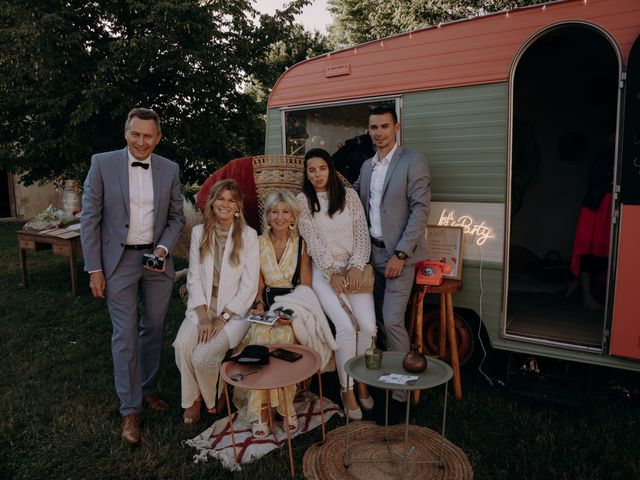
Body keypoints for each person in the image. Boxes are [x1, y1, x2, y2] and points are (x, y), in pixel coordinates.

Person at [81, 107, 186, 445]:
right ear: (126, 133)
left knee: (154, 327)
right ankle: (130, 409)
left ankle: (147, 387)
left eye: (148, 136)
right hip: (118, 261)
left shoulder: (169, 169)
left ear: (158, 138)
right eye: (135, 134)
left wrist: (163, 250)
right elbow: (89, 219)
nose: (141, 142)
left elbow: (175, 218)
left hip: (156, 259)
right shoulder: (102, 163)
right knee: (124, 334)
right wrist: (95, 269)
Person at [353, 104, 431, 422]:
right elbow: (357, 207)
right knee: (375, 325)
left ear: (396, 128)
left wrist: (401, 254)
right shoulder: (367, 166)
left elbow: (420, 209)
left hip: (400, 256)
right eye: (373, 128)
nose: (379, 133)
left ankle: (400, 396)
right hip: (372, 255)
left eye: (385, 127)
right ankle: (378, 380)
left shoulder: (412, 160)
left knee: (392, 321)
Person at [297, 148, 376, 421]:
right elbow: (314, 243)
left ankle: (361, 378)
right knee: (344, 327)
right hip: (324, 274)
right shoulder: (303, 201)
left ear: (330, 169)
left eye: (321, 168)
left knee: (368, 326)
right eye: (311, 170)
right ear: (306, 174)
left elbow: (361, 235)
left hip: (354, 270)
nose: (317, 174)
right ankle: (347, 390)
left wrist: (355, 267)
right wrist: (332, 272)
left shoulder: (349, 196)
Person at [173, 179, 259, 425]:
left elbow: (249, 287)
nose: (225, 204)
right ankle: (194, 398)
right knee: (182, 347)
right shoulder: (200, 233)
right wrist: (202, 317)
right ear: (212, 202)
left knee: (202, 357)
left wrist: (222, 319)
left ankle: (214, 394)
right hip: (201, 309)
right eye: (220, 198)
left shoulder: (249, 236)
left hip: (234, 314)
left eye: (231, 200)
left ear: (238, 206)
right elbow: (193, 278)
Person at [234, 190, 313, 438]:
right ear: (267, 216)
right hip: (266, 304)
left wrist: (291, 312)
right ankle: (262, 411)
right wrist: (258, 305)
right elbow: (257, 286)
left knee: (283, 340)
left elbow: (306, 286)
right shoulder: (257, 243)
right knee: (259, 336)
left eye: (285, 211)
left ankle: (286, 407)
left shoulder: (302, 244)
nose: (279, 217)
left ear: (293, 217)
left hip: (292, 304)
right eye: (274, 211)